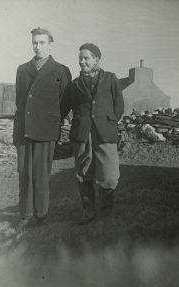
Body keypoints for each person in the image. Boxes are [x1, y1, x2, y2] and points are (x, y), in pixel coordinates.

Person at [13, 27, 71, 228]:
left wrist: (51, 118)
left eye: (42, 43)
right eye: (34, 43)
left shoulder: (61, 71)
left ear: (50, 44)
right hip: (24, 129)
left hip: (46, 130)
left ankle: (40, 215)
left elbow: (65, 102)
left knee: (40, 174)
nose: (37, 47)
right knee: (24, 172)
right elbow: (19, 101)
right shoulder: (22, 69)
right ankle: (25, 215)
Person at [60, 43, 124, 225]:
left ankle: (106, 211)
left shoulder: (111, 79)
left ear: (97, 59)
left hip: (105, 132)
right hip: (82, 133)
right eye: (80, 58)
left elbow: (119, 106)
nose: (82, 62)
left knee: (110, 174)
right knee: (83, 173)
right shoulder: (74, 85)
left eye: (86, 58)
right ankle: (88, 211)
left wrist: (108, 121)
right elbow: (63, 108)